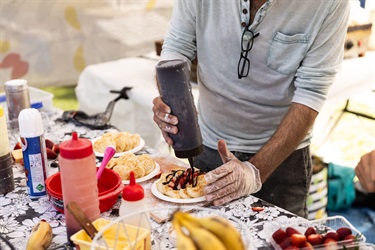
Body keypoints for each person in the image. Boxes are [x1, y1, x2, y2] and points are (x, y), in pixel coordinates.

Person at [152, 0, 350, 218]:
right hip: (208, 147)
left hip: (281, 161)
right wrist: (171, 100)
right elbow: (176, 48)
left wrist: (255, 171)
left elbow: (312, 91)